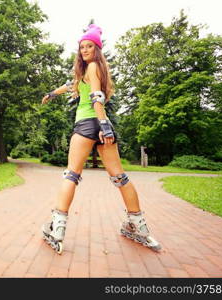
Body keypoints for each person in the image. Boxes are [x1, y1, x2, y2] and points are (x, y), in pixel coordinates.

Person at [41, 24, 161, 254]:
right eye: (82, 46)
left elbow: (97, 98)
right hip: (100, 124)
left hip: (89, 124)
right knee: (120, 177)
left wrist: (104, 125)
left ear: (97, 49)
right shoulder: (89, 71)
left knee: (71, 174)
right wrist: (51, 94)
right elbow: (69, 86)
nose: (84, 50)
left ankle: (57, 229)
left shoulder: (93, 66)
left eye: (89, 46)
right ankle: (138, 226)